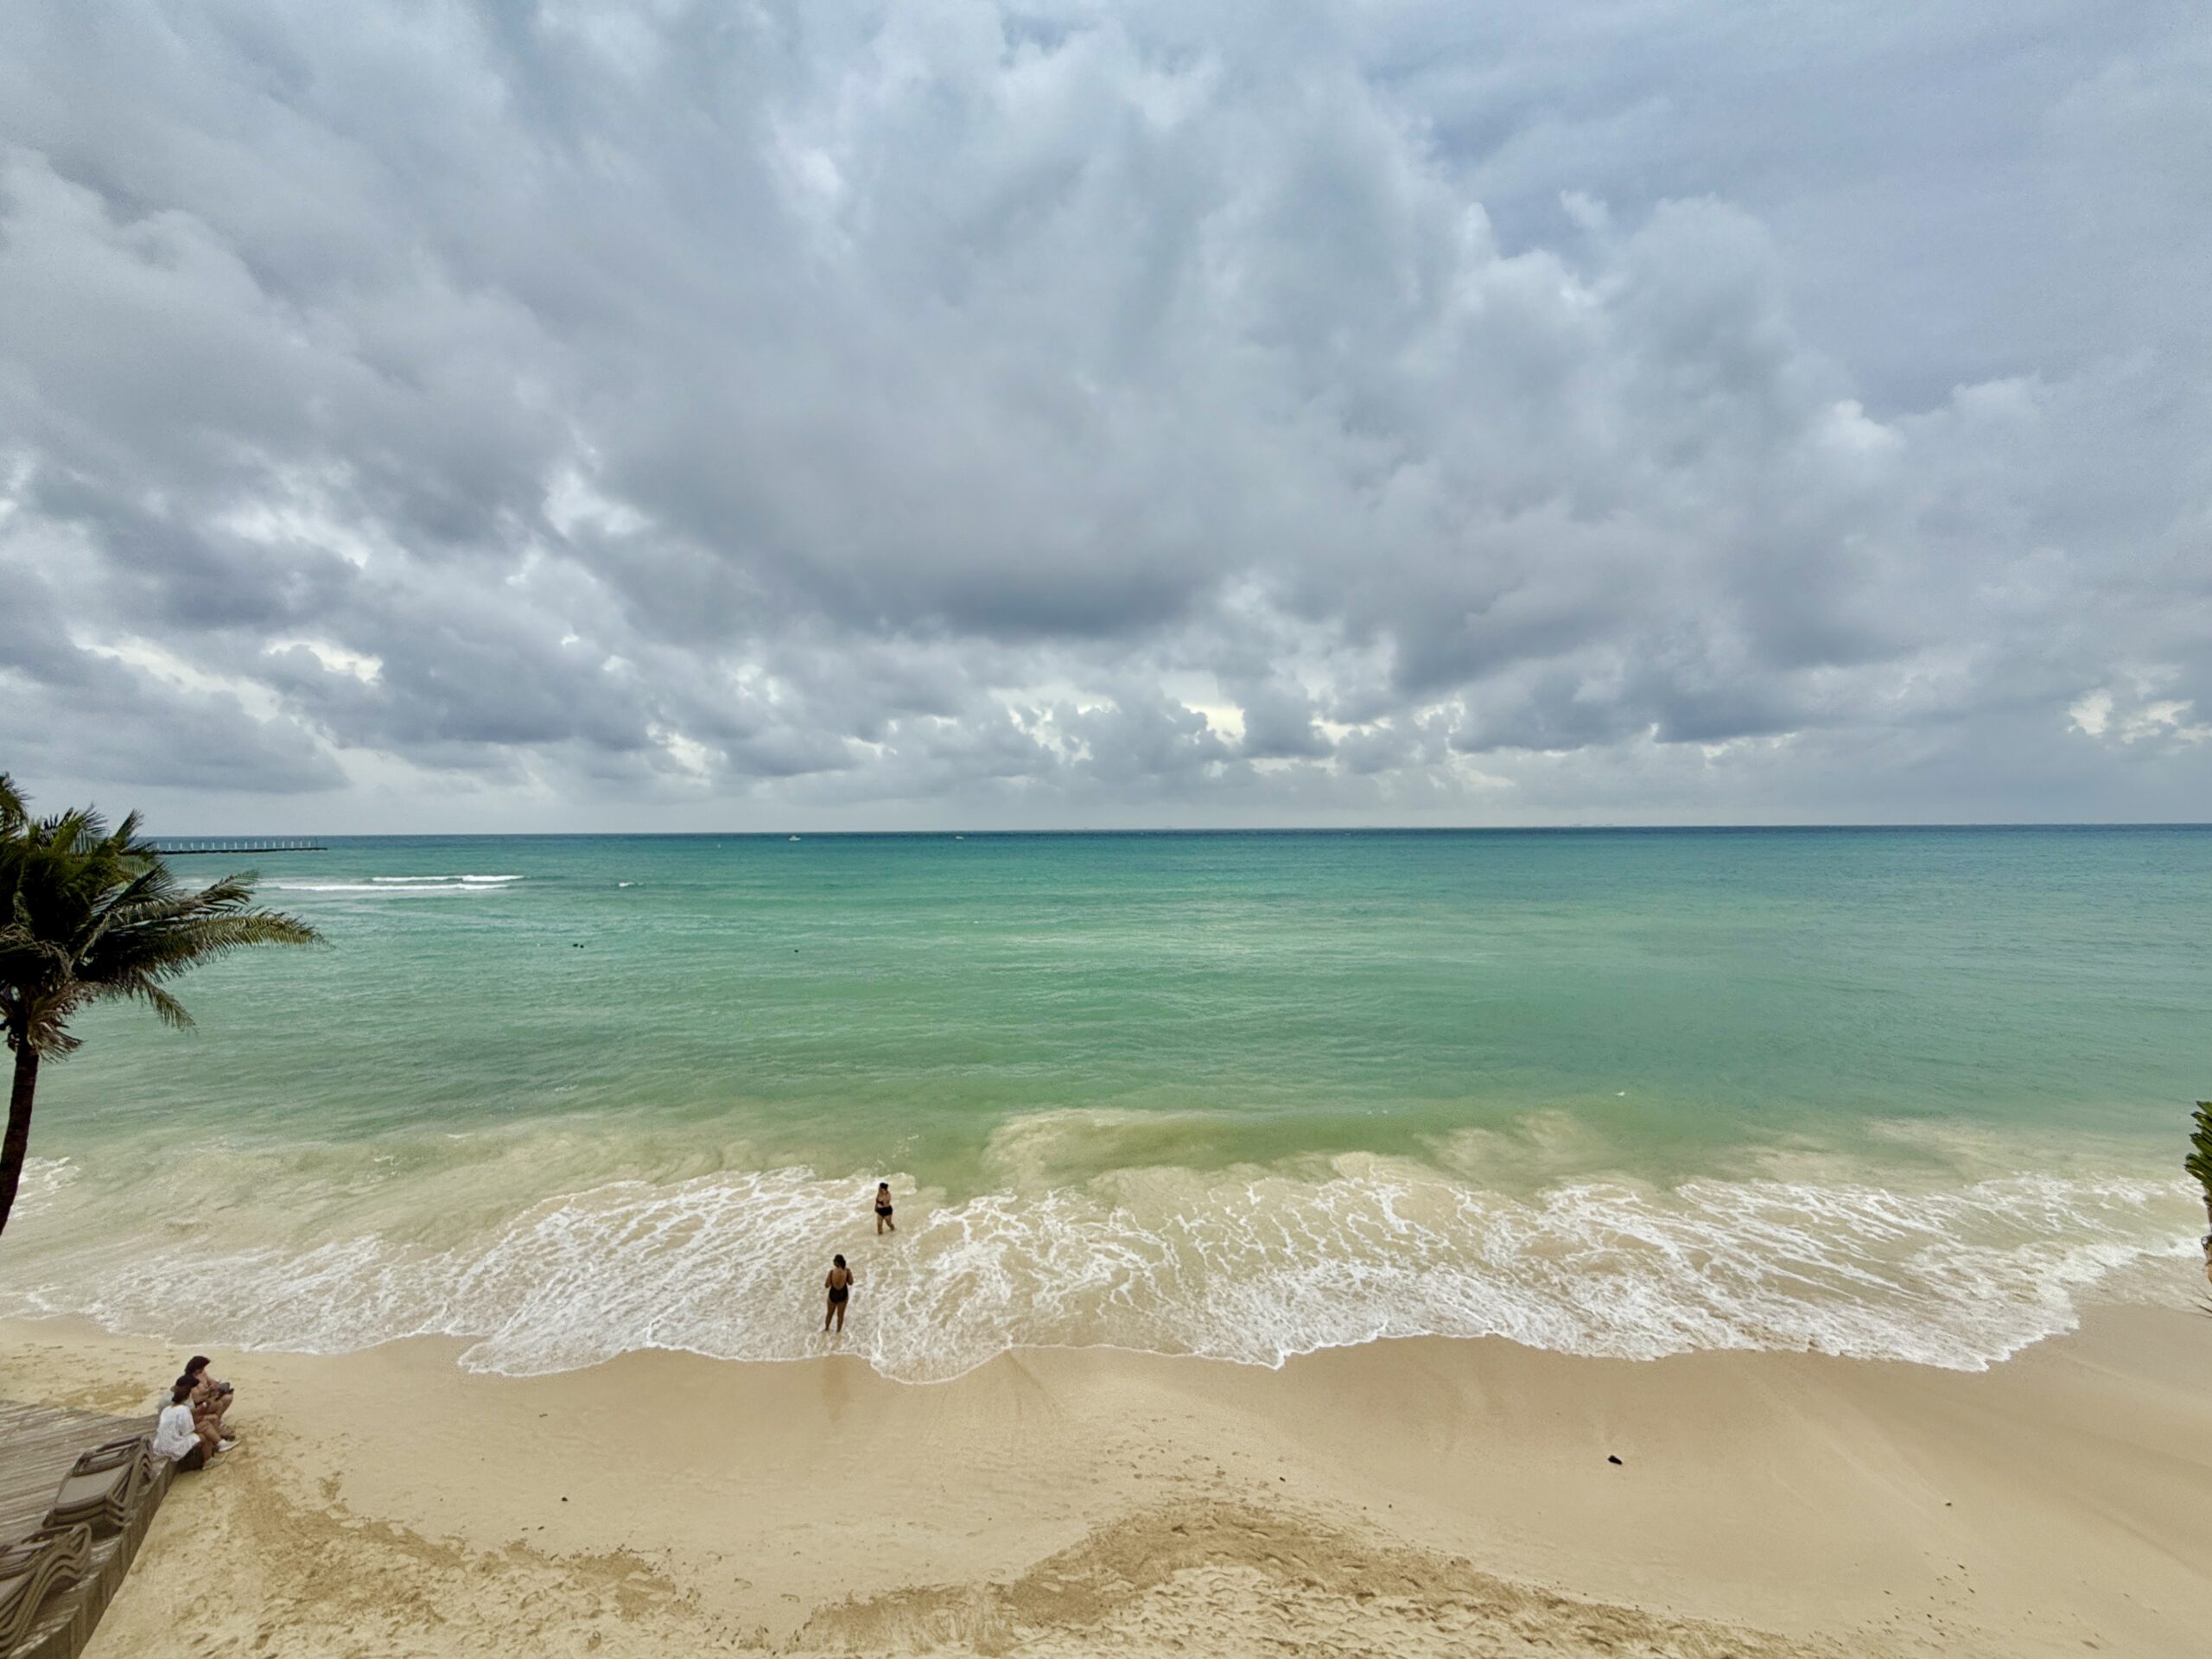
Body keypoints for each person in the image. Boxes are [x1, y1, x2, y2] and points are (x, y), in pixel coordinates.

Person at [153, 1377, 228, 1471]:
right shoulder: (183, 1410)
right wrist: (201, 1427)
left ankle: (217, 1447)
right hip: (174, 1443)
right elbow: (187, 1430)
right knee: (204, 1436)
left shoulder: (167, 1410)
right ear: (187, 1396)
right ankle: (208, 1460)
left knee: (204, 1427)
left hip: (161, 1443)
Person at [182, 1355, 234, 1435]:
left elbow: (211, 1381)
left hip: (208, 1398)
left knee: (228, 1398)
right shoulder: (188, 1379)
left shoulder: (202, 1373)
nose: (203, 1370)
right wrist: (210, 1392)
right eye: (201, 1368)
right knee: (219, 1404)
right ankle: (216, 1427)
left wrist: (215, 1385)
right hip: (199, 1405)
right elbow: (197, 1398)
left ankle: (217, 1422)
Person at [823, 1254, 854, 1333]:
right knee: (840, 1316)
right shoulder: (847, 1271)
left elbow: (826, 1285)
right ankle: (838, 1332)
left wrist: (830, 1278)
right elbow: (851, 1282)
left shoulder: (832, 1272)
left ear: (836, 1263)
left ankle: (826, 1329)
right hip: (843, 1294)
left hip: (833, 1294)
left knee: (829, 1314)